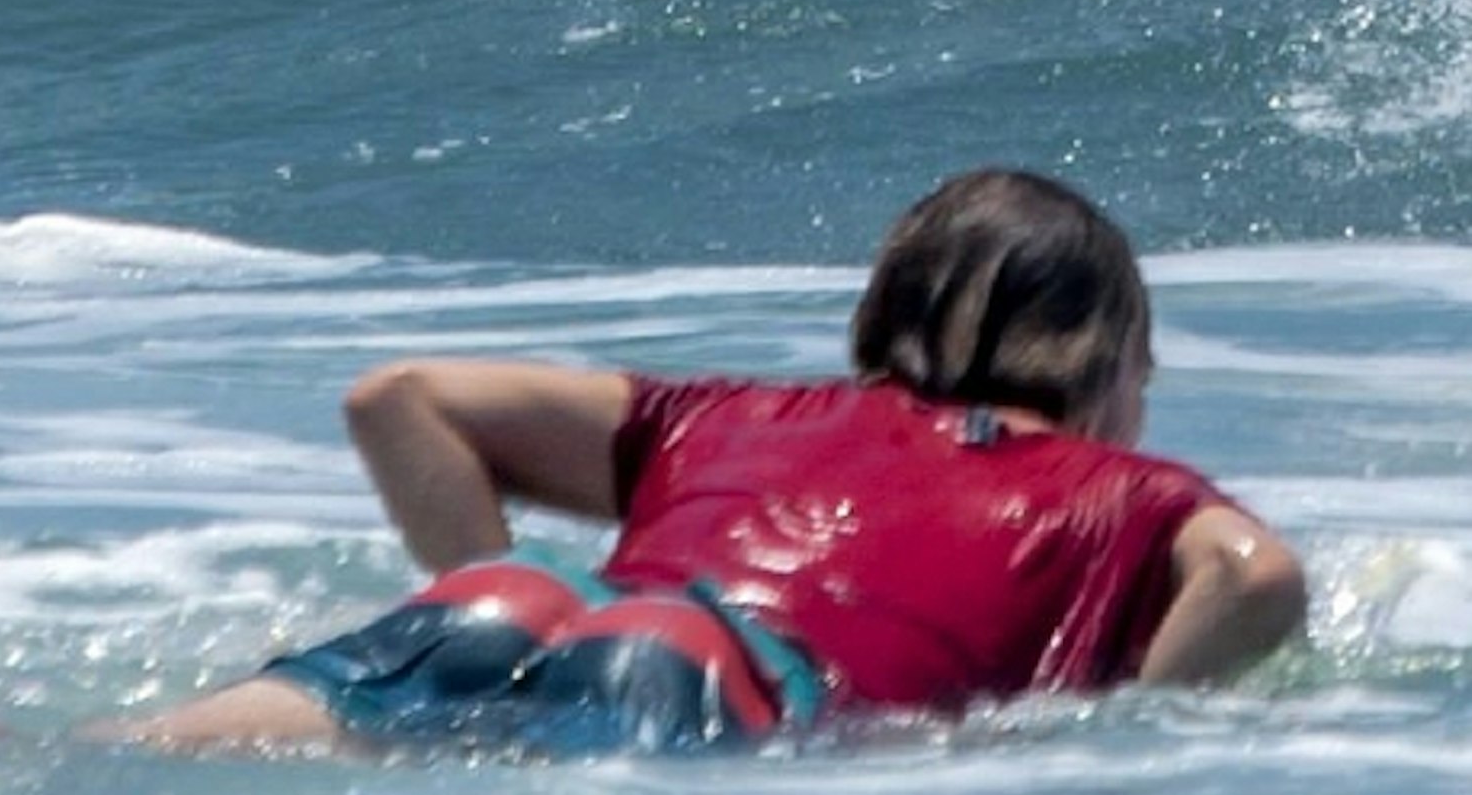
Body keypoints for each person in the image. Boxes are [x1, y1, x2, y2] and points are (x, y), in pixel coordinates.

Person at [122, 164, 1304, 757]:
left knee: (100, 762)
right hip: (714, 678)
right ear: (1106, 361)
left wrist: (478, 600)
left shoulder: (731, 415)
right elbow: (1253, 576)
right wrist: (1129, 736)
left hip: (520, 605)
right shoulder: (1122, 494)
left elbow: (400, 397)